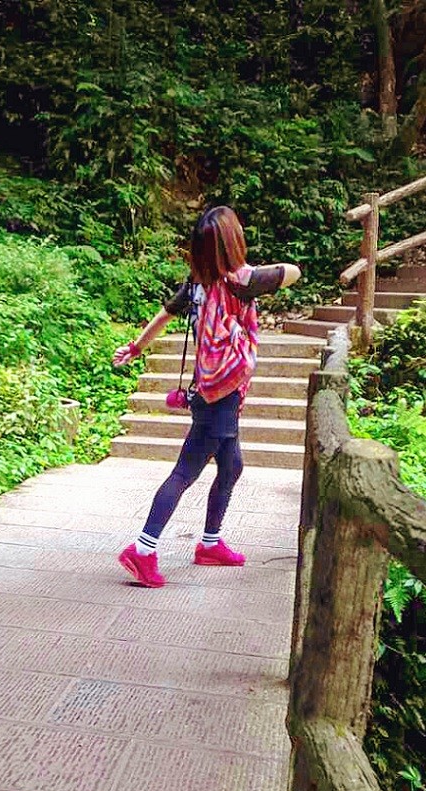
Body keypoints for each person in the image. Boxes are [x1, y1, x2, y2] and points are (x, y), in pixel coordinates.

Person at [114, 205, 301, 588]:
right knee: (185, 472)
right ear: (233, 242)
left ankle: (210, 545)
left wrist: (136, 347)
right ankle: (142, 550)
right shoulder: (244, 281)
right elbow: (293, 272)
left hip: (210, 389)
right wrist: (247, 270)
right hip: (220, 395)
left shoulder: (197, 284)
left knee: (231, 466)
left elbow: (165, 314)